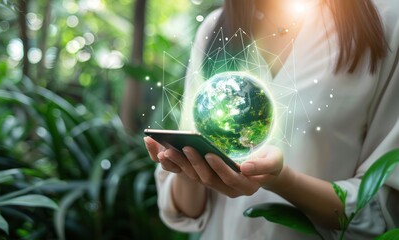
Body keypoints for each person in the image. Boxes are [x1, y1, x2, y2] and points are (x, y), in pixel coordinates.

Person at [144, 0, 399, 239]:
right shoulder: (215, 28)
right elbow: (185, 212)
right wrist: (188, 167)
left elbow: (382, 213)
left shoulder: (387, 20)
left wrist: (284, 181)